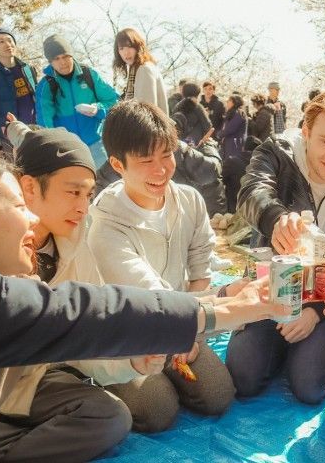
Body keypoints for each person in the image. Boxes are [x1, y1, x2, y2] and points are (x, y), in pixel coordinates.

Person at [0, 47, 285, 463]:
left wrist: (204, 316)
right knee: (150, 408)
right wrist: (200, 316)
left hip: (131, 336)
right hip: (89, 354)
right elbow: (99, 310)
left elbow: (84, 317)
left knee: (212, 394)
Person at [0, 152, 160, 461]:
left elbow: (83, 328)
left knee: (122, 412)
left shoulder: (48, 261)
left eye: (89, 194)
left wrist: (133, 358)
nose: (83, 206)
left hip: (29, 386)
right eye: (73, 192)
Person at [88, 100, 236, 432]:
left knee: (218, 396)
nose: (161, 170)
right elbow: (145, 290)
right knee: (158, 410)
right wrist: (183, 325)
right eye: (145, 160)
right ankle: (103, 380)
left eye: (166, 155)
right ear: (117, 164)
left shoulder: (188, 200)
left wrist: (191, 330)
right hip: (128, 334)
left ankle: (171, 368)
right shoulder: (105, 223)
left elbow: (200, 263)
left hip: (179, 318)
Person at [230, 90, 325, 404]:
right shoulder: (277, 154)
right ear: (306, 132)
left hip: (322, 307)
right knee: (243, 377)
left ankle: (302, 352)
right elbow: (251, 191)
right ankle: (275, 347)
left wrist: (316, 312)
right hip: (269, 293)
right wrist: (275, 219)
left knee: (309, 388)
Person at [35, 34, 119, 168]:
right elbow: (45, 120)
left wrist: (97, 109)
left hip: (98, 143)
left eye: (65, 56)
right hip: (69, 149)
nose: (63, 62)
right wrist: (54, 144)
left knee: (109, 185)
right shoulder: (46, 85)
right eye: (56, 59)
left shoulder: (89, 74)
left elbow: (114, 101)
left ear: (72, 55)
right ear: (50, 62)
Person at [0, 28, 38, 156]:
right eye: (1, 41)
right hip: (9, 134)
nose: (8, 44)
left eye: (10, 40)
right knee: (18, 170)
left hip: (34, 130)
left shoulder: (28, 69)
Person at [113, 28, 167, 114]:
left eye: (130, 46)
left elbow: (145, 113)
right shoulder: (138, 68)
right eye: (121, 48)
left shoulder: (144, 69)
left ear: (138, 46)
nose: (126, 52)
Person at [219, 94, 248, 212]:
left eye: (229, 101)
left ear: (234, 102)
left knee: (232, 167)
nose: (227, 103)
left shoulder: (238, 113)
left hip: (234, 144)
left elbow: (230, 129)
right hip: (230, 143)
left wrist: (219, 134)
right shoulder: (232, 113)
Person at [173, 82, 213, 146]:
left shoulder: (177, 106)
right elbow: (208, 127)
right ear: (197, 94)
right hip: (192, 143)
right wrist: (206, 115)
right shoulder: (197, 106)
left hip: (178, 142)